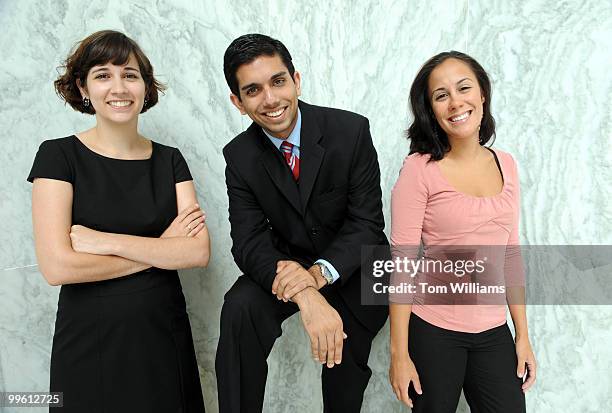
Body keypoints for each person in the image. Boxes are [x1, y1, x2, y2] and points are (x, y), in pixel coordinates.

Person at [28, 30, 209, 412]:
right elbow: (57, 266)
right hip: (89, 343)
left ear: (145, 86)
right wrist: (161, 249)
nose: (118, 87)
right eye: (102, 74)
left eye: (129, 74)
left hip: (163, 339)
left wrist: (107, 241)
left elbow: (196, 252)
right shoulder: (57, 157)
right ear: (83, 88)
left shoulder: (171, 160)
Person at [215, 33, 388, 412]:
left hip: (359, 267)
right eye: (253, 90)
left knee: (340, 349)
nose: (271, 99)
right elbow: (248, 242)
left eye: (278, 81)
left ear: (296, 79)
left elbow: (367, 225)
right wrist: (305, 291)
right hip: (288, 266)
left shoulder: (350, 131)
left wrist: (318, 276)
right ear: (238, 103)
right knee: (240, 307)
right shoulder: (239, 156)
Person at [388, 51, 537, 412]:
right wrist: (399, 354)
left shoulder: (508, 164)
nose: (456, 102)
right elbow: (403, 264)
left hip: (492, 331)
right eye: (441, 95)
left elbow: (510, 254)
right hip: (434, 330)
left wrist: (523, 337)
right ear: (432, 111)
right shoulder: (419, 169)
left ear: (482, 94)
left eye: (463, 88)